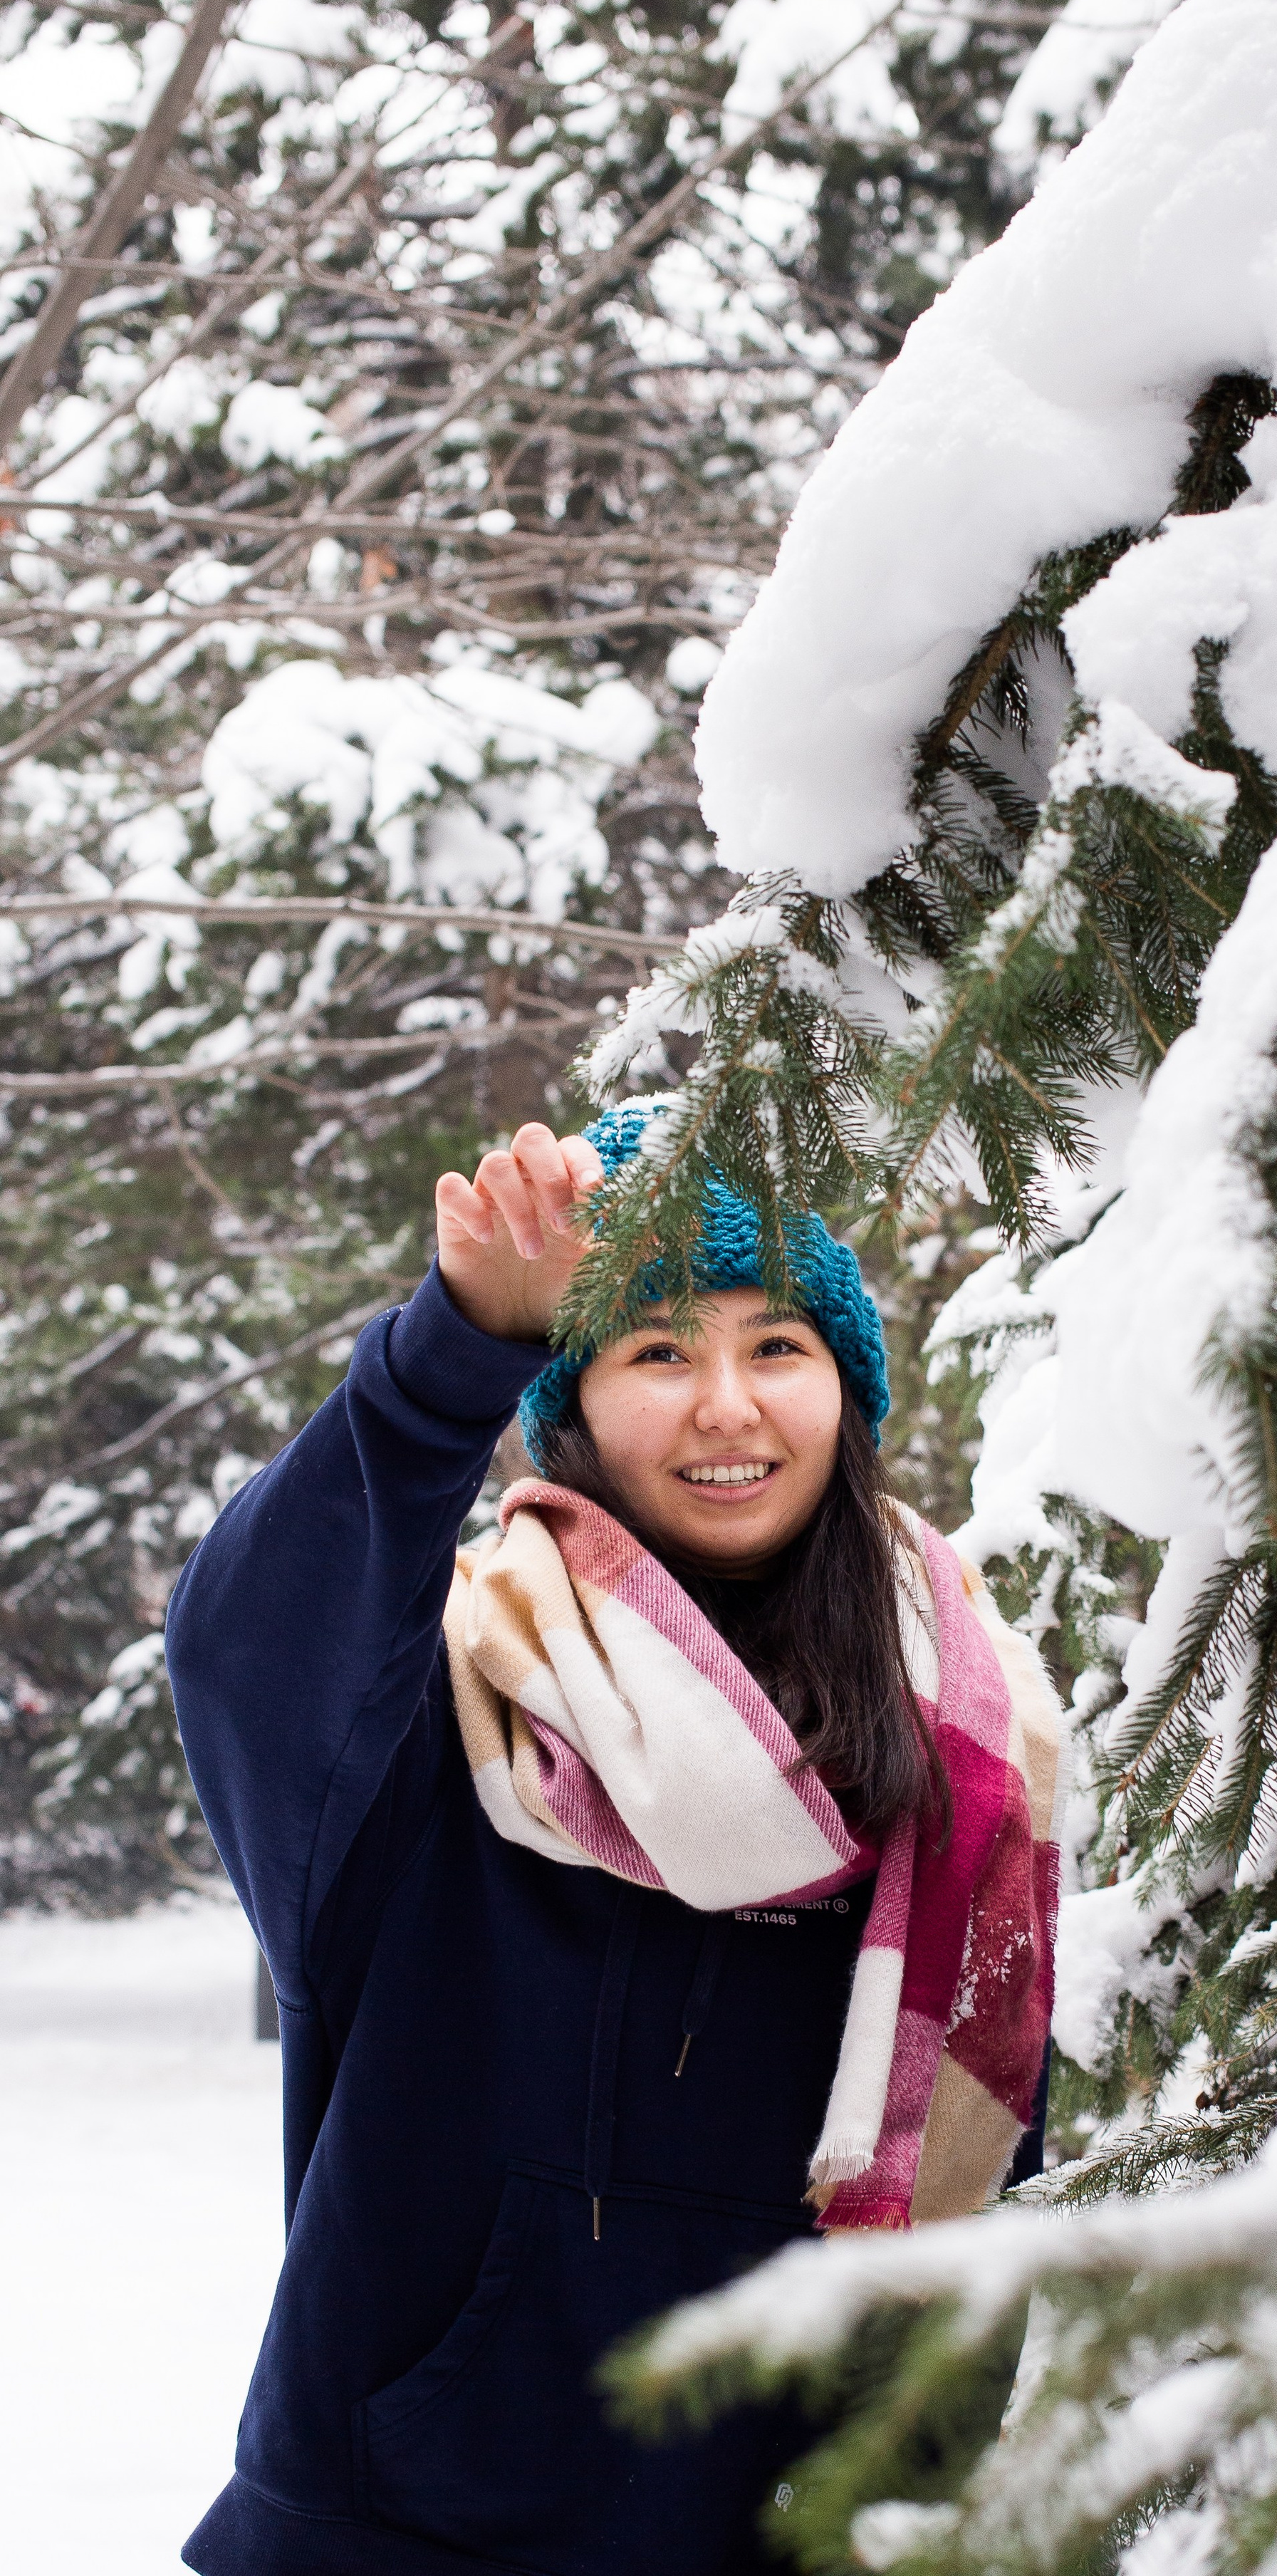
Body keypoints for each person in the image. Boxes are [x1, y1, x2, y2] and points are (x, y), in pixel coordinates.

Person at [166, 1101, 1062, 2576]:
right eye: (658, 1350)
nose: (727, 1405)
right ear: (574, 1402)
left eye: (777, 1345)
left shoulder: (964, 1747)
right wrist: (453, 1346)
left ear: (846, 1392)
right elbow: (244, 1651)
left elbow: (990, 2205)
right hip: (404, 2537)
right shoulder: (442, 1706)